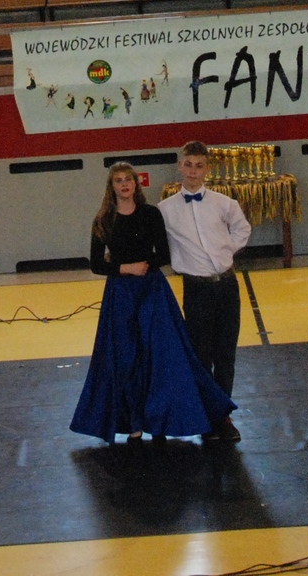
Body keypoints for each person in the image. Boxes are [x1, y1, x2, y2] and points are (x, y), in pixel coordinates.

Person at [70, 162, 236, 444]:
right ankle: (133, 423)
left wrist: (143, 266)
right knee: (125, 357)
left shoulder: (150, 214)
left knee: (162, 355)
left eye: (128, 179)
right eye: (118, 180)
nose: (124, 184)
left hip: (152, 291)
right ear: (111, 187)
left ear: (136, 184)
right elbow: (96, 263)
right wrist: (125, 268)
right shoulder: (104, 220)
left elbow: (164, 254)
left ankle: (161, 421)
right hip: (121, 295)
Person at [157, 141, 250, 442]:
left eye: (199, 166)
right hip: (196, 288)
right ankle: (208, 414)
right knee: (201, 353)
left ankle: (224, 415)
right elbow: (155, 241)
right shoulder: (165, 210)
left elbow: (242, 229)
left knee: (226, 353)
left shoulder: (224, 203)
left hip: (227, 285)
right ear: (180, 166)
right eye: (188, 165)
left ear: (208, 169)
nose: (193, 171)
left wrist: (226, 251)